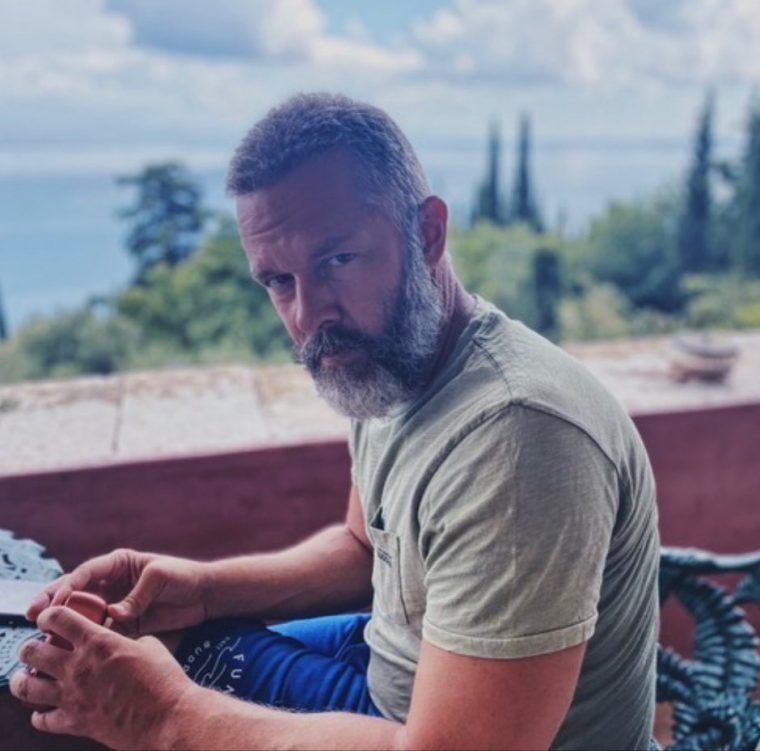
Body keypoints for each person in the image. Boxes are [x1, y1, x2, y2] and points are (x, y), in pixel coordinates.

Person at [11, 93, 659, 750]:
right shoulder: (392, 361)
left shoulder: (517, 438)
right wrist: (203, 589)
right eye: (278, 281)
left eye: (337, 261)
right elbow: (362, 549)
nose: (307, 314)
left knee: (135, 687)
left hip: (430, 727)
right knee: (148, 640)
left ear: (428, 234)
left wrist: (163, 716)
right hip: (394, 666)